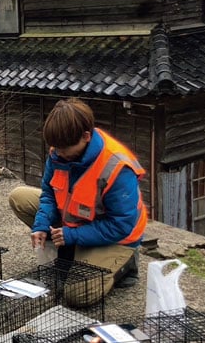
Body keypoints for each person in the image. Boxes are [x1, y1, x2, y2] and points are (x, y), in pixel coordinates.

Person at [8, 98, 147, 305]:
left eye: (65, 148)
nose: (59, 153)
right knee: (19, 197)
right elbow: (48, 193)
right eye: (56, 147)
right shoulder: (59, 152)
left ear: (86, 137)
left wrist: (72, 235)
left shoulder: (116, 167)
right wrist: (41, 225)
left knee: (77, 293)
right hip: (76, 222)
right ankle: (71, 251)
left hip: (116, 237)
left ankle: (126, 265)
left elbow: (121, 225)